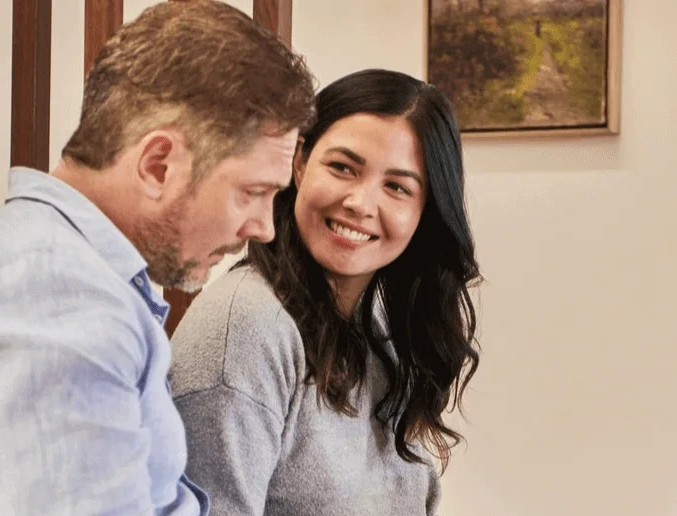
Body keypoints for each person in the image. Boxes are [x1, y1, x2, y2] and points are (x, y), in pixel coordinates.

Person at [0, 1, 315, 514]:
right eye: (252, 192)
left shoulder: (46, 264)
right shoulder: (59, 294)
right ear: (158, 165)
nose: (264, 227)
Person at [168, 69, 482, 516]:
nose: (360, 203)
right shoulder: (245, 328)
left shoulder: (377, 328)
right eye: (342, 168)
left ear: (424, 211)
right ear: (299, 162)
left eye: (397, 187)